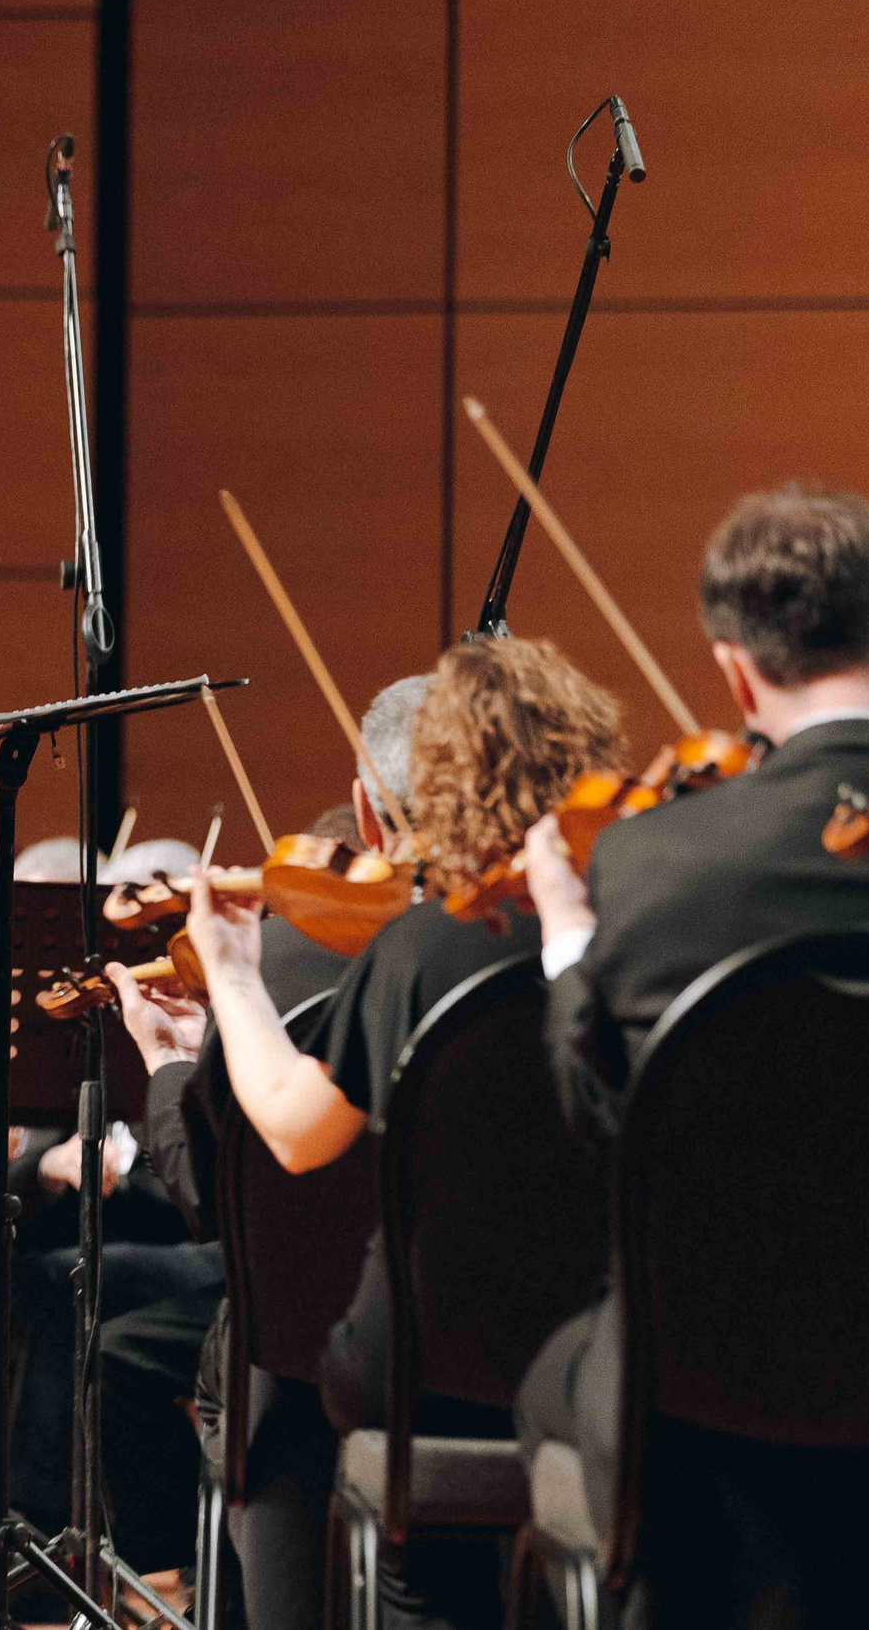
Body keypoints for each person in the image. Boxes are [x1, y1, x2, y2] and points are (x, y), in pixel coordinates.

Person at [515, 487, 869, 1627]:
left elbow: (597, 1123)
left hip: (709, 1403)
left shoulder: (652, 865)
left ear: (733, 673)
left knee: (556, 1382)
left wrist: (566, 946)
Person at [176, 639, 626, 1630]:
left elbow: (295, 1134)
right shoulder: (625, 931)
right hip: (599, 1353)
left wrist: (235, 979)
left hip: (418, 1366)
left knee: (278, 1371)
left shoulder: (418, 950)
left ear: (401, 805)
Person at [100, 675, 422, 1622]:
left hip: (328, 1346)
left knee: (249, 1351)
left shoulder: (292, 964)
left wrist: (171, 1063)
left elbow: (216, 1190)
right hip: (521, 1340)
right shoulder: (572, 939)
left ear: (367, 809)